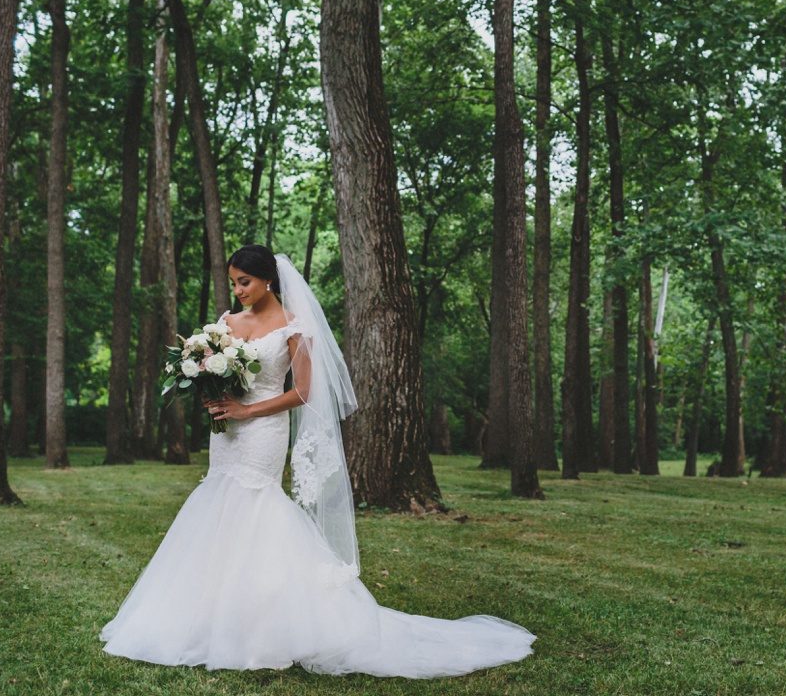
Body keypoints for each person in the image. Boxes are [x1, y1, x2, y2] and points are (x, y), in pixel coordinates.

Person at [100, 245, 535, 676]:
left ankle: (267, 626)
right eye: (233, 283)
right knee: (220, 504)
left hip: (264, 431)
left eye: (244, 281)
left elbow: (304, 391)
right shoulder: (225, 324)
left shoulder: (295, 325)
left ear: (268, 278)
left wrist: (248, 410)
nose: (238, 291)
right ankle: (209, 616)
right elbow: (216, 374)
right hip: (228, 435)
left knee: (257, 506)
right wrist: (215, 398)